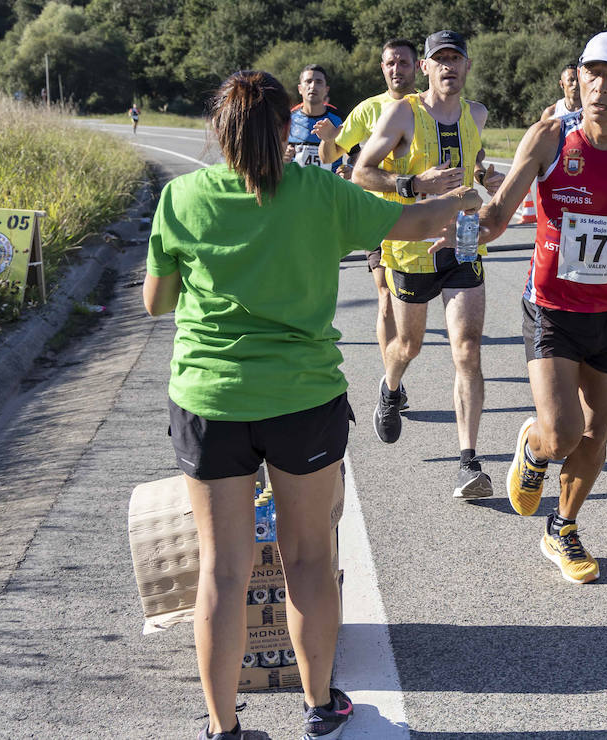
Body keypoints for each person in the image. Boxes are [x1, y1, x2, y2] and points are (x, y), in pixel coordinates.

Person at [144, 70, 478, 740]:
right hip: (303, 400)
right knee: (306, 558)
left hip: (209, 400)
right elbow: (411, 221)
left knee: (223, 568)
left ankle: (221, 728)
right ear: (285, 129)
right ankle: (320, 705)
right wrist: (468, 193)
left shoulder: (181, 197)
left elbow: (157, 303)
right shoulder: (321, 193)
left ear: (221, 131)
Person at [474, 31, 607, 582]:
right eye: (593, 73)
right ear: (579, 76)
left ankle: (562, 527)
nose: (601, 86)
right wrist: (457, 233)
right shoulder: (550, 138)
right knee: (564, 432)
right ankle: (535, 444)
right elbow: (497, 215)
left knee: (597, 434)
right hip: (551, 305)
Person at [352, 30, 503, 499]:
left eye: (455, 58)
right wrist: (415, 184)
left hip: (461, 244)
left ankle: (468, 462)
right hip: (411, 247)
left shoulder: (475, 114)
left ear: (467, 66)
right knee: (408, 347)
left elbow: (473, 157)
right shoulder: (403, 113)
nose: (448, 67)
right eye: (440, 59)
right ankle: (391, 386)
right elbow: (361, 171)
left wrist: (484, 174)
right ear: (426, 68)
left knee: (468, 348)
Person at [312, 39, 422, 431]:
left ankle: (395, 369)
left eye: (404, 63)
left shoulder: (431, 106)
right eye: (391, 63)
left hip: (424, 218)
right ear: (382, 68)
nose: (397, 70)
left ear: (417, 67)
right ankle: (393, 381)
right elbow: (329, 155)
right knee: (385, 296)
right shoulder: (367, 109)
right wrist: (329, 136)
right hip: (377, 216)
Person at [289, 65, 348, 175]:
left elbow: (355, 153)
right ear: (300, 89)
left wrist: (350, 166)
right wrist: (281, 159)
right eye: (308, 81)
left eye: (319, 82)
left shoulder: (340, 119)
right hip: (296, 188)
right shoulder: (287, 120)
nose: (313, 86)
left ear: (326, 90)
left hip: (329, 188)